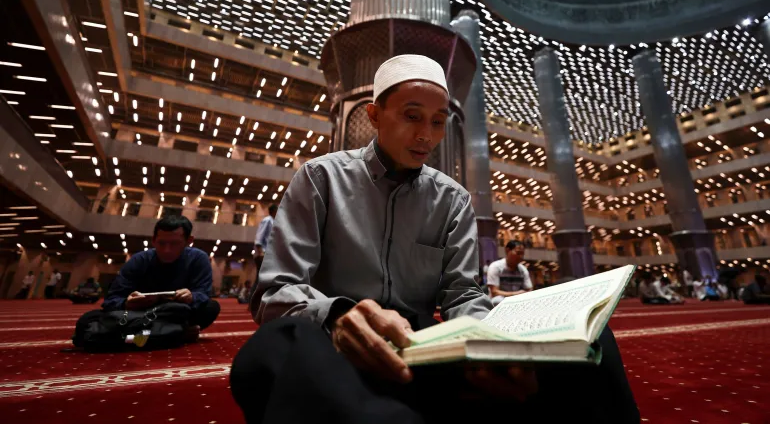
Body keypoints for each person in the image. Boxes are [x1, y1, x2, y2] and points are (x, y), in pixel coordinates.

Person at [230, 55, 639, 424]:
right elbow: (274, 293)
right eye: (412, 116)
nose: (427, 134)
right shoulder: (321, 179)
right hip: (337, 348)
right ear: (374, 115)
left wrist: (490, 348)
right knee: (273, 347)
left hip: (422, 354)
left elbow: (462, 296)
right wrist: (338, 316)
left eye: (438, 121)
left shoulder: (453, 199)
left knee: (588, 337)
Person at [102, 215, 220, 336]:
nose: (166, 250)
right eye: (161, 243)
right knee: (89, 319)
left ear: (189, 241)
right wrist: (126, 303)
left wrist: (192, 297)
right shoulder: (139, 260)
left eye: (174, 243)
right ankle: (176, 332)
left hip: (176, 313)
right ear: (153, 240)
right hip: (140, 313)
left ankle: (153, 332)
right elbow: (111, 300)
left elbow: (202, 294)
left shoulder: (198, 258)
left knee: (210, 307)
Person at [487, 240, 533, 305]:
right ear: (507, 250)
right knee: (497, 300)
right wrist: (516, 294)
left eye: (522, 254)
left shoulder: (523, 269)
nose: (521, 257)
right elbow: (494, 292)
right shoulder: (495, 266)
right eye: (518, 253)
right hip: (501, 299)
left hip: (518, 300)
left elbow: (529, 289)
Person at [253, 204, 277, 275]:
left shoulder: (273, 221)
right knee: (261, 277)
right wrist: (260, 252)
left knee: (264, 277)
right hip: (262, 253)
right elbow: (259, 236)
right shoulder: (267, 220)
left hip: (267, 253)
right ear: (274, 211)